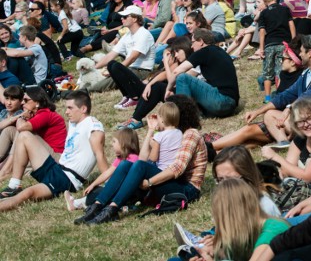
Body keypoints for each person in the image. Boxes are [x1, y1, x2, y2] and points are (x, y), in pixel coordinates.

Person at [74, 94, 207, 225]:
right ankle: (98, 206)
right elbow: (143, 158)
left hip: (186, 189)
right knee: (126, 163)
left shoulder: (190, 134)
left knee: (141, 166)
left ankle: (112, 209)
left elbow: (177, 169)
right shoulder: (172, 134)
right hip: (170, 181)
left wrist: (148, 182)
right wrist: (150, 131)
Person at [0, 91, 108, 211]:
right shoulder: (74, 122)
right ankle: (14, 186)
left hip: (67, 179)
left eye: (70, 108)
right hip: (57, 167)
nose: (66, 112)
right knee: (24, 135)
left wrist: (109, 184)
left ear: (83, 109)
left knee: (28, 193)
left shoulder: (94, 127)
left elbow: (100, 155)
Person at [245, 35, 311, 144]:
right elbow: (286, 95)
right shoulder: (307, 73)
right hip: (309, 120)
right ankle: (283, 142)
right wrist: (258, 111)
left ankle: (298, 139)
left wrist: (288, 109)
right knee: (269, 114)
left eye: (302, 51)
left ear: (310, 53)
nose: (300, 54)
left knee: (254, 131)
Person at [261, 97, 311, 184]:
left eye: (309, 119)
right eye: (300, 121)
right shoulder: (301, 137)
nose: (306, 125)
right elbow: (287, 169)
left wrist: (275, 157)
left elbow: (307, 177)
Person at [164, 28, 239, 118]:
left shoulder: (204, 52)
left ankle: (185, 119)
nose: (191, 46)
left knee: (182, 77)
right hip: (231, 104)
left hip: (222, 101)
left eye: (192, 42)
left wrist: (168, 89)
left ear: (200, 41)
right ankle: (197, 113)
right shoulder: (221, 52)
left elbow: (176, 72)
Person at [64, 128, 140, 211]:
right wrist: (93, 184)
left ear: (123, 143)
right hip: (118, 191)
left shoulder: (133, 159)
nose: (112, 144)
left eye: (114, 141)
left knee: (100, 193)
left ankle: (76, 203)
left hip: (126, 194)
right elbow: (107, 173)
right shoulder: (120, 158)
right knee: (97, 190)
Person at [91, 5, 155, 98]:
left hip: (142, 71)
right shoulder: (127, 35)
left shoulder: (144, 34)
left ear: (134, 19)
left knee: (111, 75)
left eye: (125, 17)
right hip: (131, 69)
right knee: (110, 68)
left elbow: (132, 58)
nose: (122, 19)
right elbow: (111, 55)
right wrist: (93, 68)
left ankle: (85, 91)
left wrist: (117, 70)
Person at [256, 0, 295, 103]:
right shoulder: (284, 9)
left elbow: (262, 32)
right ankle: (279, 94)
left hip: (269, 44)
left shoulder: (263, 13)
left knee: (267, 72)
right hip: (283, 44)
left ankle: (267, 97)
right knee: (279, 71)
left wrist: (261, 48)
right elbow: (291, 25)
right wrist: (293, 42)